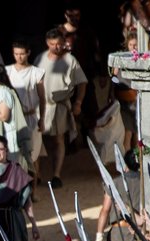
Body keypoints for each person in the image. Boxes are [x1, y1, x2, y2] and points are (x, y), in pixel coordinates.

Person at [36, 29, 87, 189]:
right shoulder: (40, 58)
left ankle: (56, 175)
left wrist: (78, 102)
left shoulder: (70, 60)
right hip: (41, 105)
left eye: (59, 44)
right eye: (52, 44)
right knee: (38, 140)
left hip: (59, 105)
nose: (56, 47)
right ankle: (37, 174)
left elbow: (82, 82)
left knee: (58, 140)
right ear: (47, 43)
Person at [0, 65, 30, 169]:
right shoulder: (6, 90)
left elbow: (4, 116)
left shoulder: (3, 91)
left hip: (9, 139)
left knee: (10, 169)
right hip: (8, 138)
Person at [6, 41, 46, 168]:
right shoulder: (7, 71)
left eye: (22, 54)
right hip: (12, 118)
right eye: (16, 54)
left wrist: (42, 119)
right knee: (14, 153)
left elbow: (42, 97)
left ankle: (34, 179)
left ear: (28, 53)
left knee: (32, 152)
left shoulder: (36, 72)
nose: (19, 57)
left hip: (30, 117)